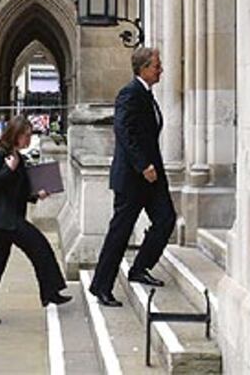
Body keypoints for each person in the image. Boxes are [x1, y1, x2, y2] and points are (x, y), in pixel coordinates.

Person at [89, 47, 176, 307]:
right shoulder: (130, 93)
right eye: (156, 65)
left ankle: (139, 268)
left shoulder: (146, 94)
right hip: (133, 177)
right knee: (120, 233)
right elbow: (123, 131)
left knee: (166, 219)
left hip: (151, 177)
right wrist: (143, 165)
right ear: (143, 68)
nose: (160, 70)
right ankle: (101, 286)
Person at [0, 115, 72, 324]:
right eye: (26, 136)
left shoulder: (20, 158)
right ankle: (51, 292)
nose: (28, 139)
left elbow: (22, 191)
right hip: (3, 218)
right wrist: (9, 169)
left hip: (9, 218)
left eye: (29, 135)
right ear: (15, 135)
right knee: (40, 247)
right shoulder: (1, 156)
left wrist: (37, 194)